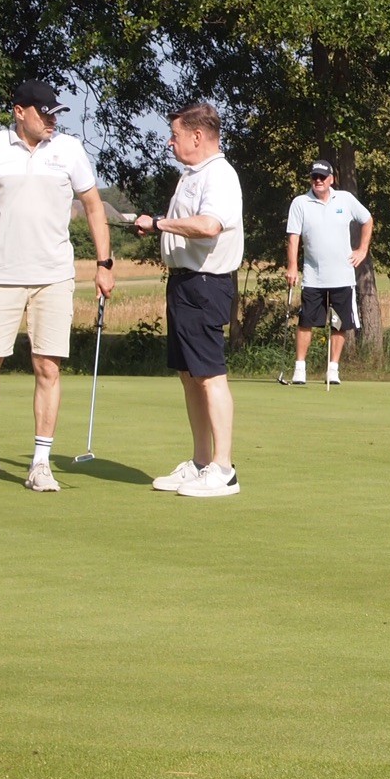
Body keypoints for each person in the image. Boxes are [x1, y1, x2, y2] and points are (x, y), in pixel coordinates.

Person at [0, 79, 113, 493]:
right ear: (19, 112)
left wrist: (104, 264)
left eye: (56, 114)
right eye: (44, 113)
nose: (52, 121)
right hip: (0, 273)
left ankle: (40, 463)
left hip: (54, 274)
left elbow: (93, 207)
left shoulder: (69, 150)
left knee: (47, 367)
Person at [138, 102, 245, 498]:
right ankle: (201, 463)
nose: (170, 142)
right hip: (184, 283)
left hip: (205, 284)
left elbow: (209, 225)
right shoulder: (192, 175)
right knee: (189, 376)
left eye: (176, 135)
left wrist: (159, 223)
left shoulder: (219, 175)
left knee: (209, 375)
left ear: (197, 136)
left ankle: (224, 469)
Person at [284, 160, 373, 387]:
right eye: (314, 176)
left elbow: (367, 220)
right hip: (313, 276)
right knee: (306, 321)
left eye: (322, 177)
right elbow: (293, 237)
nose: (318, 181)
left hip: (342, 276)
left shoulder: (345, 199)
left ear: (331, 179)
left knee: (339, 324)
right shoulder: (300, 203)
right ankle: (300, 369)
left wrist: (362, 250)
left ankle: (333, 370)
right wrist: (292, 266)